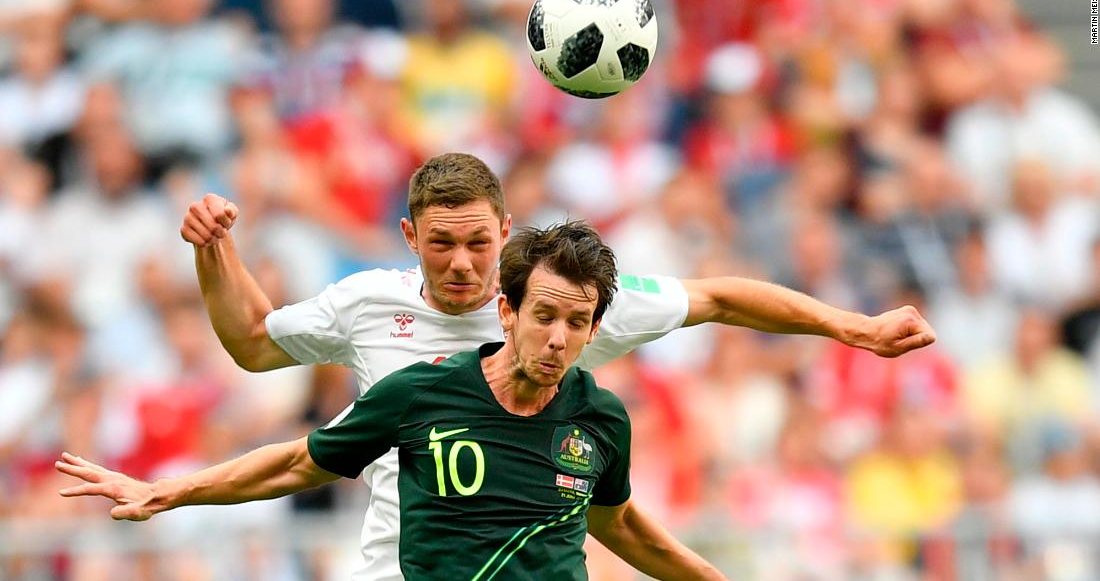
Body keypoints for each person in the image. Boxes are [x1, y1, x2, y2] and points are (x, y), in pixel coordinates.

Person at [179, 152, 935, 580]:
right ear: (409, 235)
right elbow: (251, 340)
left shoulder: (554, 303)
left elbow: (718, 297)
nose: (463, 263)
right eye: (441, 243)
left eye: (479, 241)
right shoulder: (368, 303)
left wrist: (852, 326)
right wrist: (215, 249)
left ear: (506, 230)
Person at [56, 221, 728, 581]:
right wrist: (169, 490)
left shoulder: (601, 418)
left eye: (576, 323)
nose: (558, 339)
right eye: (544, 315)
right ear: (507, 311)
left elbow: (625, 527)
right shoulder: (422, 392)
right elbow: (297, 462)